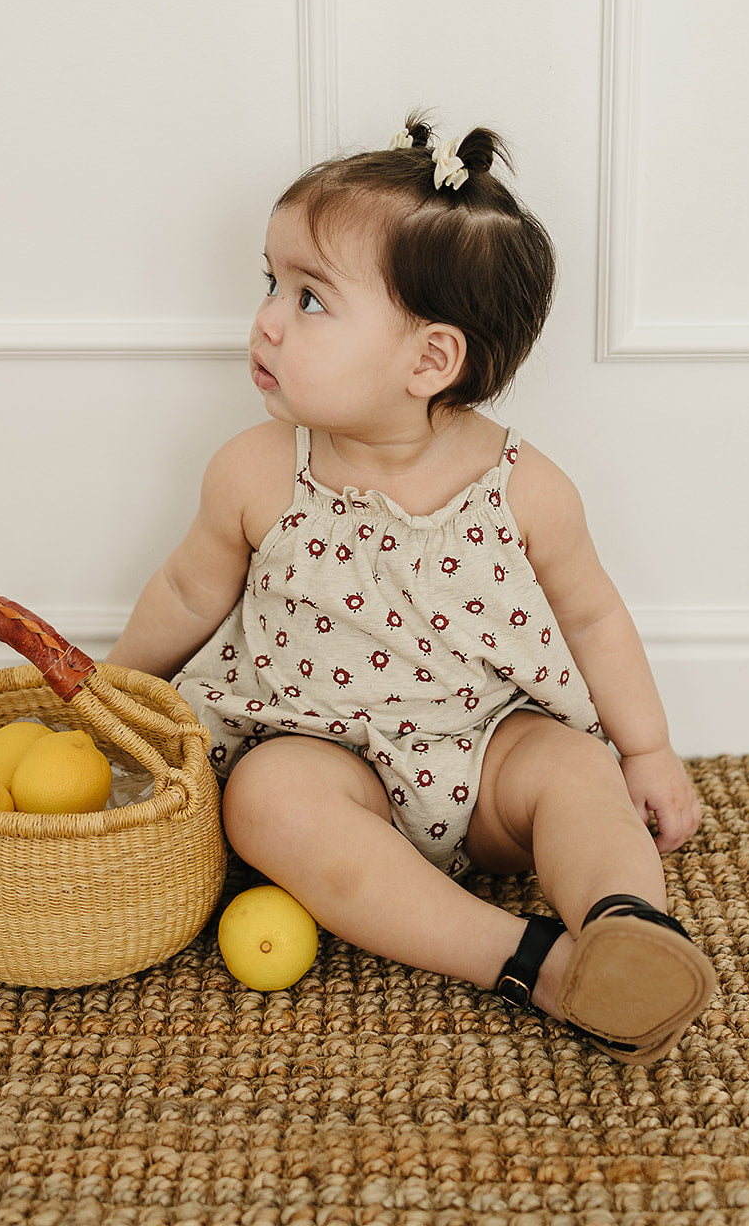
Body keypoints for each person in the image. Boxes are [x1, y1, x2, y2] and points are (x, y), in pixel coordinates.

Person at [110, 114, 716, 1063]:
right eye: (270, 282)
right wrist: (108, 695)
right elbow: (189, 595)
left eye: (310, 299)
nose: (268, 317)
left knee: (571, 769)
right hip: (321, 748)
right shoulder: (258, 471)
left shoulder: (526, 487)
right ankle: (528, 962)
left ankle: (627, 922)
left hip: (488, 752)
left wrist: (647, 749)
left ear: (430, 360)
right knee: (265, 801)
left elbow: (592, 615)